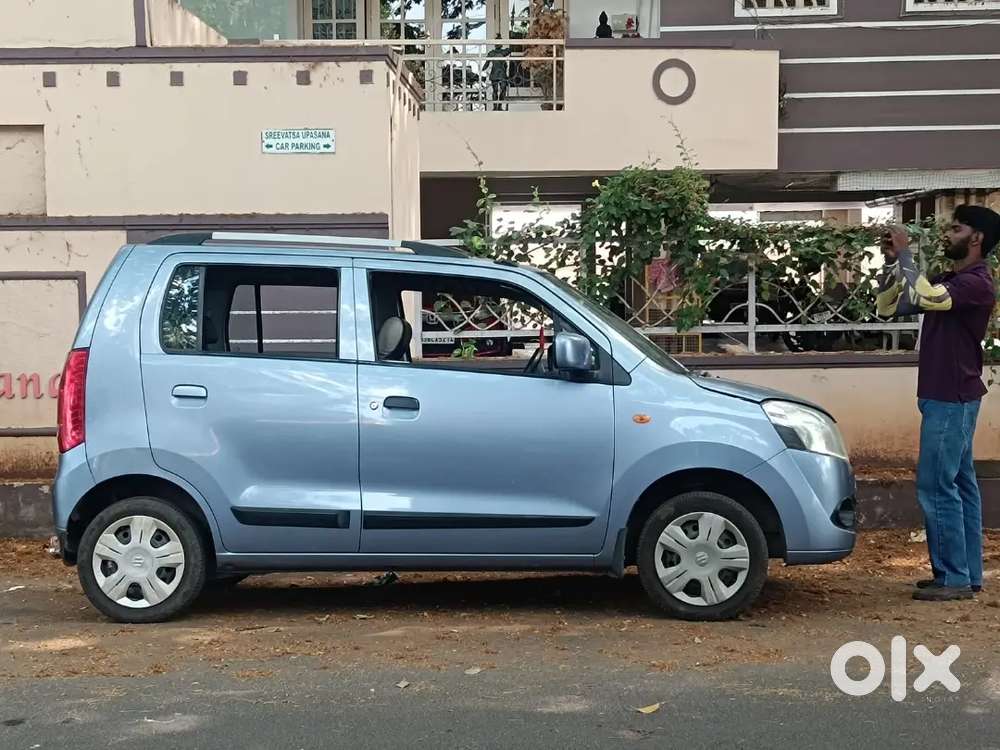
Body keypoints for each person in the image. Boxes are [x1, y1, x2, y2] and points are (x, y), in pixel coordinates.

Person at [877, 204, 1000, 601]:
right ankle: (965, 574)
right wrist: (895, 264)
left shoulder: (977, 282)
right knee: (960, 486)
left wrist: (908, 254)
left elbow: (925, 296)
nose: (948, 234)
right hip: (947, 397)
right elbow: (888, 307)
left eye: (957, 228)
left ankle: (954, 578)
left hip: (951, 398)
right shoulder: (954, 278)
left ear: (976, 238)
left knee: (935, 485)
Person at [484, 36, 510, 111]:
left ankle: (499, 106)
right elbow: (486, 63)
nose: (498, 44)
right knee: (496, 90)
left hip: (499, 73)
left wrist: (483, 68)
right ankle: (496, 106)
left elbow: (486, 63)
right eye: (497, 43)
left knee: (502, 89)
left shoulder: (501, 52)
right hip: (498, 73)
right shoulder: (494, 53)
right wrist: (482, 68)